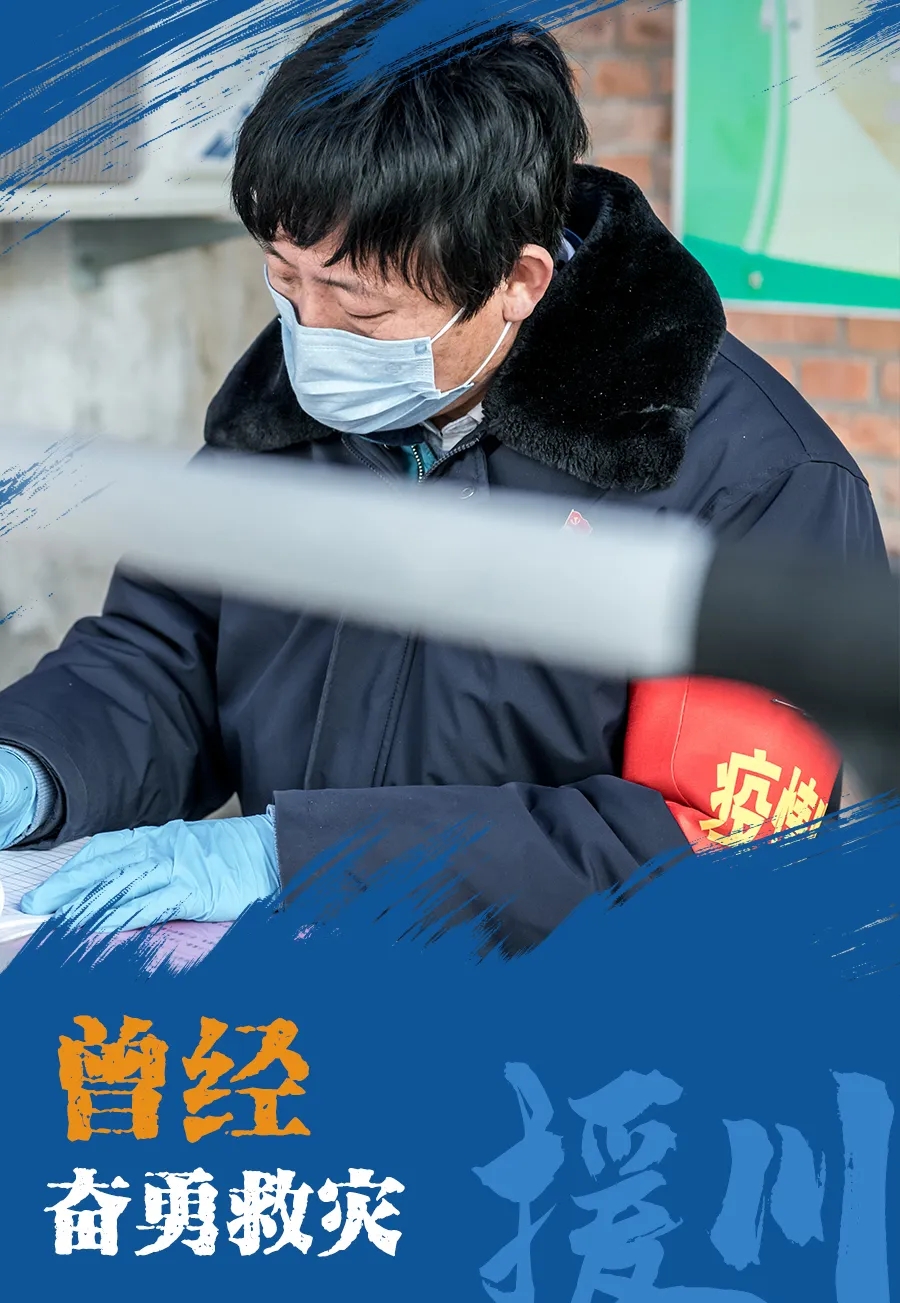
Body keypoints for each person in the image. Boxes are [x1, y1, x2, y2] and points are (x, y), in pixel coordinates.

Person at [0, 12, 887, 951]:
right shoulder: (282, 407)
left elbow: (709, 841)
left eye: (360, 309)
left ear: (518, 281)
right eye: (284, 281)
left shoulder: (753, 481)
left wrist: (308, 860)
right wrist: (37, 764)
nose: (311, 337)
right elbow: (168, 652)